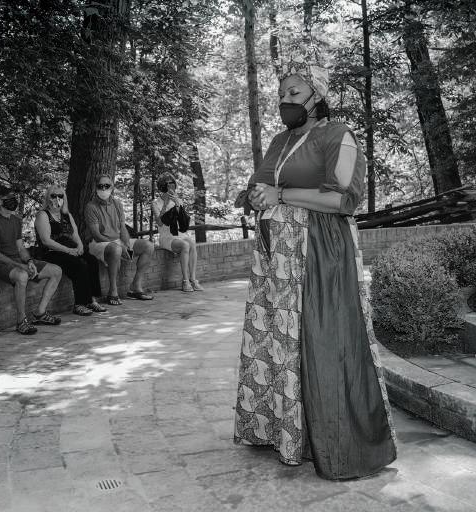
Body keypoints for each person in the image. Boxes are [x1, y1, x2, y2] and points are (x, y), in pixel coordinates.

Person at [233, 56, 397, 480]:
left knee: (323, 338)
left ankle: (338, 444)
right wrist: (256, 195)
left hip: (319, 250)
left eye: (294, 92)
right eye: (281, 94)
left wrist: (281, 195)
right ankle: (285, 433)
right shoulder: (280, 140)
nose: (285, 100)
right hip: (276, 259)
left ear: (317, 95)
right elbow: (258, 185)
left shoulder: (338, 135)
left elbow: (343, 199)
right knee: (278, 341)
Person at [0, 184, 63, 335]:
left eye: (14, 197)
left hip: (16, 261)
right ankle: (21, 321)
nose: (13, 200)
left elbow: (20, 248)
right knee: (22, 275)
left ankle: (40, 313)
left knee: (56, 271)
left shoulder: (15, 220)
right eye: (8, 198)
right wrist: (21, 266)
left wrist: (29, 262)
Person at [34, 184, 107, 316]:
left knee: (92, 260)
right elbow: (46, 241)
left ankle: (91, 300)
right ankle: (79, 304)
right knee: (79, 265)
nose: (57, 198)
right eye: (53, 195)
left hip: (70, 248)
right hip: (52, 252)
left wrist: (80, 246)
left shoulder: (66, 215)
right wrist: (68, 250)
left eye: (60, 196)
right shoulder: (43, 215)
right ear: (48, 197)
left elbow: (75, 234)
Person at [84, 174, 155, 305]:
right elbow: (96, 235)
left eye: (107, 186)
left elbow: (122, 228)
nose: (103, 189)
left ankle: (135, 287)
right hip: (98, 243)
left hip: (117, 241)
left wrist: (126, 243)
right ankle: (113, 292)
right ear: (95, 188)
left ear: (112, 187)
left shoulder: (117, 204)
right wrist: (120, 246)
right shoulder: (91, 207)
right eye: (100, 186)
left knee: (148, 246)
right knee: (116, 249)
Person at [152, 173, 203, 292]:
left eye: (173, 184)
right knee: (185, 245)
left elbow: (183, 222)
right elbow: (160, 223)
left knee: (191, 243)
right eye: (168, 184)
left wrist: (178, 205)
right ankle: (185, 281)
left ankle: (193, 279)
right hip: (166, 236)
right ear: (163, 186)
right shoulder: (156, 203)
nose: (171, 186)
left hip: (179, 234)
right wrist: (165, 204)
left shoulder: (178, 200)